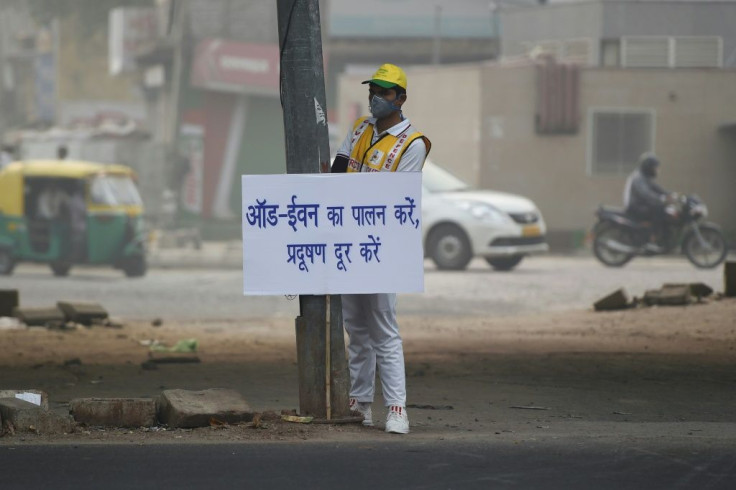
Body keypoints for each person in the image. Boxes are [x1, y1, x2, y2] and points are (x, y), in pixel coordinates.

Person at [331, 63, 431, 434]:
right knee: (355, 327)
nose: (375, 97)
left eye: (384, 92)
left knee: (383, 329)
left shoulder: (413, 143)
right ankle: (359, 404)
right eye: (372, 89)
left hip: (382, 245)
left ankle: (397, 409)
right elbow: (339, 170)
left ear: (401, 98)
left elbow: (394, 198)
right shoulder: (360, 129)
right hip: (349, 240)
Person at [623, 152, 672, 248]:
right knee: (659, 208)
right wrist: (661, 199)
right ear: (648, 167)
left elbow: (657, 188)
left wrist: (671, 194)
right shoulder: (638, 178)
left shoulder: (644, 177)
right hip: (634, 206)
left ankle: (661, 237)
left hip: (640, 204)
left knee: (661, 208)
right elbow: (645, 194)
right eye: (655, 167)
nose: (656, 170)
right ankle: (652, 239)